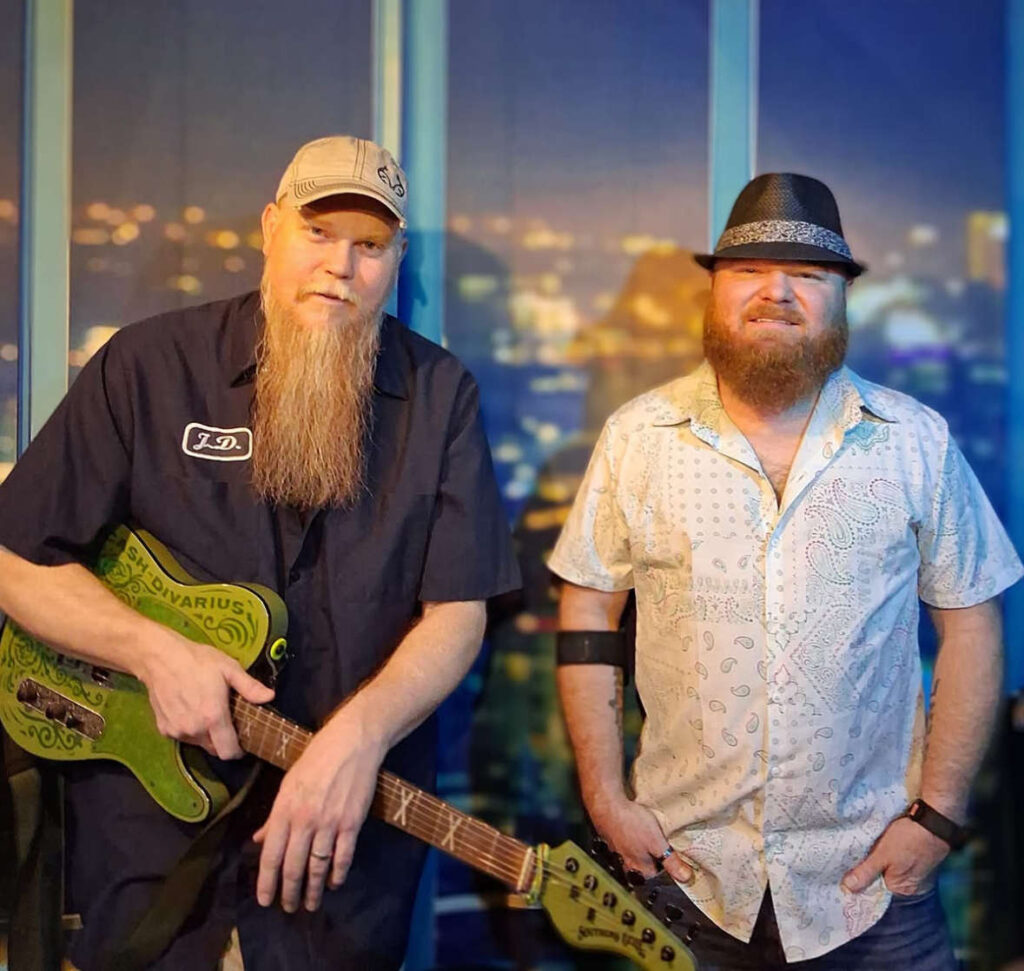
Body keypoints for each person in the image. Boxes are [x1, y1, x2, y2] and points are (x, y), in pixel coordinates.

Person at [0, 135, 520, 970]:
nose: (340, 266)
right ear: (270, 227)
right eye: (318, 232)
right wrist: (152, 651)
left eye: (370, 245)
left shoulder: (441, 394)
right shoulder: (148, 364)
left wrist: (357, 738)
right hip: (148, 852)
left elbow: (457, 613)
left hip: (340, 872)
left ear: (396, 261)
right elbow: (17, 558)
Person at [549, 173, 1023, 969]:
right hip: (684, 874)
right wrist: (605, 799)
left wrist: (938, 817)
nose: (777, 292)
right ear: (714, 290)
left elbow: (973, 621)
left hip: (871, 884)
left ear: (842, 299)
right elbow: (589, 608)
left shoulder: (915, 440)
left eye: (808, 274)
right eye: (750, 271)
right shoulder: (638, 437)